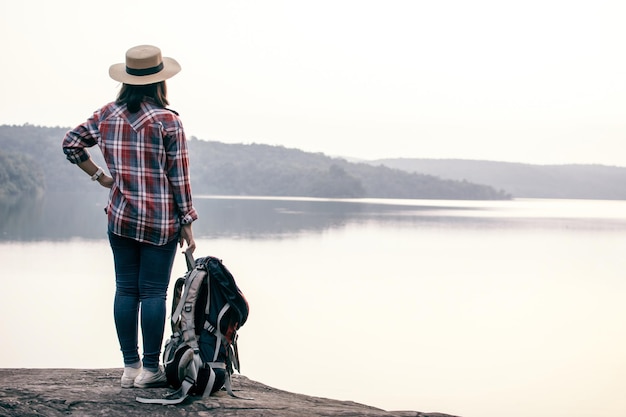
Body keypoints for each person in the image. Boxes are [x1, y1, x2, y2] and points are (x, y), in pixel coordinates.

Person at [62, 45, 197, 389]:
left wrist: (99, 176)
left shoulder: (106, 115)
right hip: (160, 221)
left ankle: (130, 367)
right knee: (153, 293)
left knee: (125, 290)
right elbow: (178, 177)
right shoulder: (169, 121)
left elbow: (71, 143)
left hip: (120, 218)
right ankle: (150, 370)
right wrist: (188, 221)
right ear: (159, 82)